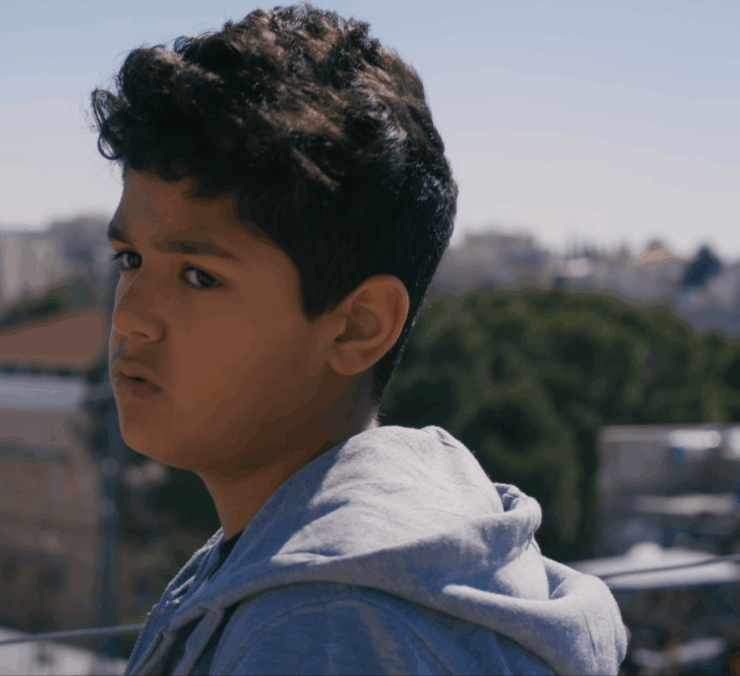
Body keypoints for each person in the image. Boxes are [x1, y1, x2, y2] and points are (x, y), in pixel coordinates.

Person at [91, 4, 627, 674]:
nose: (131, 316)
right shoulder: (313, 563)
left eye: (199, 276)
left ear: (359, 325)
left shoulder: (322, 631)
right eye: (130, 260)